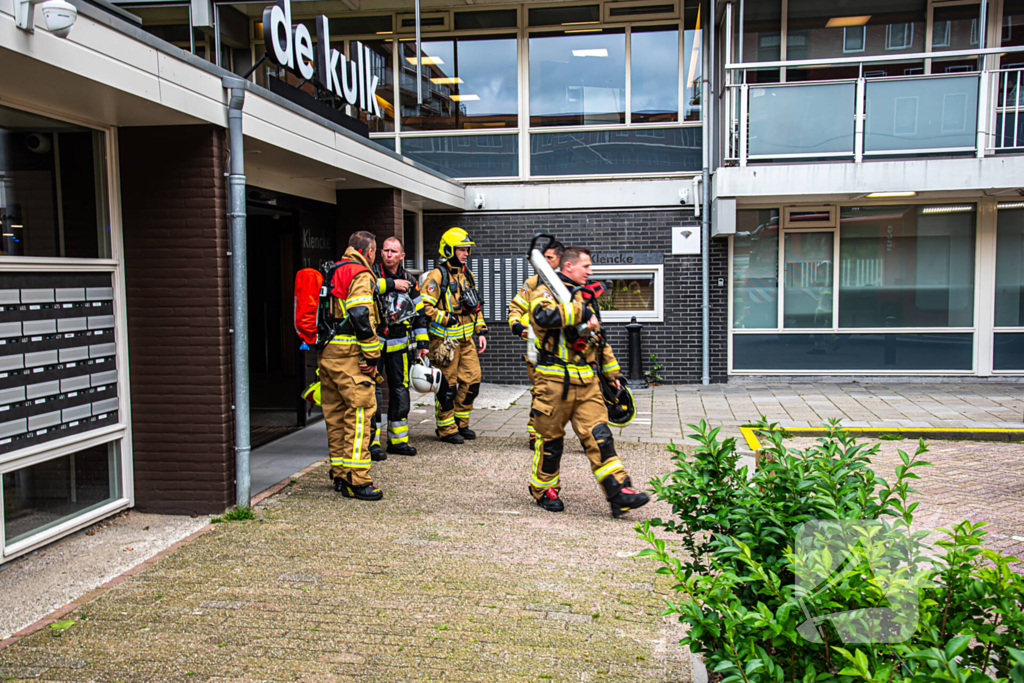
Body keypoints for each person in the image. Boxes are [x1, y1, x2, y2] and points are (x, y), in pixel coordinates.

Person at [527, 246, 649, 518]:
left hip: (587, 381)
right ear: (568, 267)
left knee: (601, 437)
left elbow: (600, 340)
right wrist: (580, 314)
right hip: (553, 382)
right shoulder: (543, 289)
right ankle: (544, 489)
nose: (591, 271)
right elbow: (541, 317)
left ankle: (619, 492)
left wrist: (612, 374)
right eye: (586, 267)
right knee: (550, 443)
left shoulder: (587, 296)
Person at [318, 231, 385, 501]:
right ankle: (358, 480)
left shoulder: (333, 269)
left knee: (335, 417)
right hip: (349, 355)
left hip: (328, 353)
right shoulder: (360, 274)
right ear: (368, 252)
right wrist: (372, 355)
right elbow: (359, 313)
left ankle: (339, 474)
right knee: (359, 416)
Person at [420, 227, 487, 444]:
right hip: (445, 343)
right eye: (461, 249)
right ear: (449, 249)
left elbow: (474, 305)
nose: (466, 253)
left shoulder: (468, 274)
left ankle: (461, 422)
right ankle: (446, 428)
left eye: (467, 249)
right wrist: (445, 317)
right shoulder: (437, 276)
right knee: (447, 387)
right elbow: (424, 307)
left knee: (473, 382)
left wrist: (481, 330)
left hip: (467, 342)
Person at [369, 236, 429, 457]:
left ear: (402, 256)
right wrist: (392, 285)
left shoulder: (410, 281)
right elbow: (366, 288)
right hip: (373, 347)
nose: (389, 254)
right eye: (385, 250)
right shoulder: (372, 274)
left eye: (394, 251)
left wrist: (423, 343)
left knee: (400, 392)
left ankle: (398, 442)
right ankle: (371, 444)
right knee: (372, 394)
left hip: (399, 347)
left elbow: (419, 314)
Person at [507, 241, 564, 451]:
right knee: (540, 392)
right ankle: (535, 434)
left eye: (550, 258)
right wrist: (516, 326)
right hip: (537, 350)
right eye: (543, 258)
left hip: (564, 350)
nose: (545, 262)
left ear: (560, 259)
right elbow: (515, 308)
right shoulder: (533, 283)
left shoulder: (567, 282)